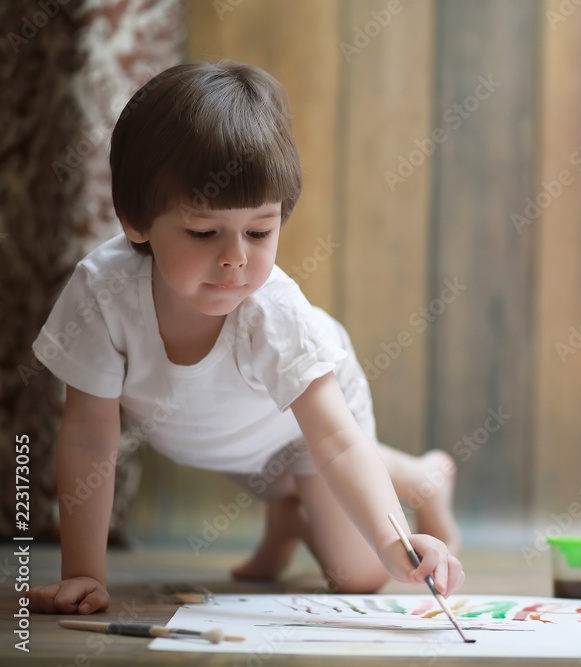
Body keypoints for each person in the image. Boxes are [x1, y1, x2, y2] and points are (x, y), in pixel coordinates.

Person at [28, 61, 463, 615]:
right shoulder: (101, 292)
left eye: (260, 231)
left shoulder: (275, 314)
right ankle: (289, 513)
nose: (236, 257)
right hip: (225, 433)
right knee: (303, 483)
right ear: (136, 221)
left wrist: (394, 543)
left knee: (357, 576)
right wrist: (83, 575)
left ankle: (422, 478)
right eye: (204, 232)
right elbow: (90, 437)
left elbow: (336, 440)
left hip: (311, 428)